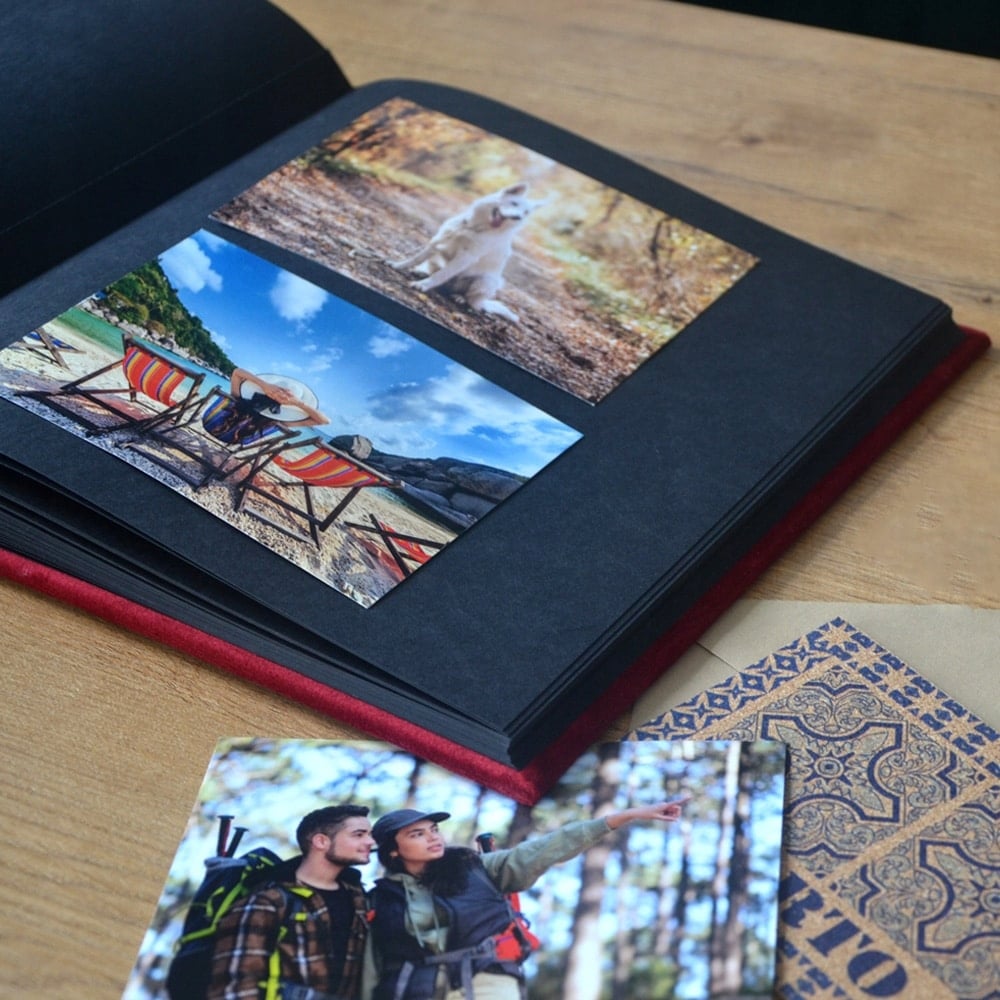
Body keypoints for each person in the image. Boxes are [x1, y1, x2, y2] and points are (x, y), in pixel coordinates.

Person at [364, 800, 688, 1000]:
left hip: (486, 979)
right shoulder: (380, 898)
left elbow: (545, 848)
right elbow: (370, 967)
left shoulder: (477, 868)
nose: (433, 837)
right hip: (412, 989)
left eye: (433, 829)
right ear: (392, 851)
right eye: (417, 834)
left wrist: (621, 817)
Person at [207, 804, 375, 1000]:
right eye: (359, 834)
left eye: (369, 834)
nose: (370, 841)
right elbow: (236, 985)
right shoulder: (269, 901)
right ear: (321, 841)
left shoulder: (359, 899)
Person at [204, 368, 329, 446]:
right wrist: (298, 403)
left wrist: (264, 385)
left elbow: (237, 372)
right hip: (232, 440)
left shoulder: (239, 398)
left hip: (209, 423)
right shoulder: (278, 421)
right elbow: (323, 421)